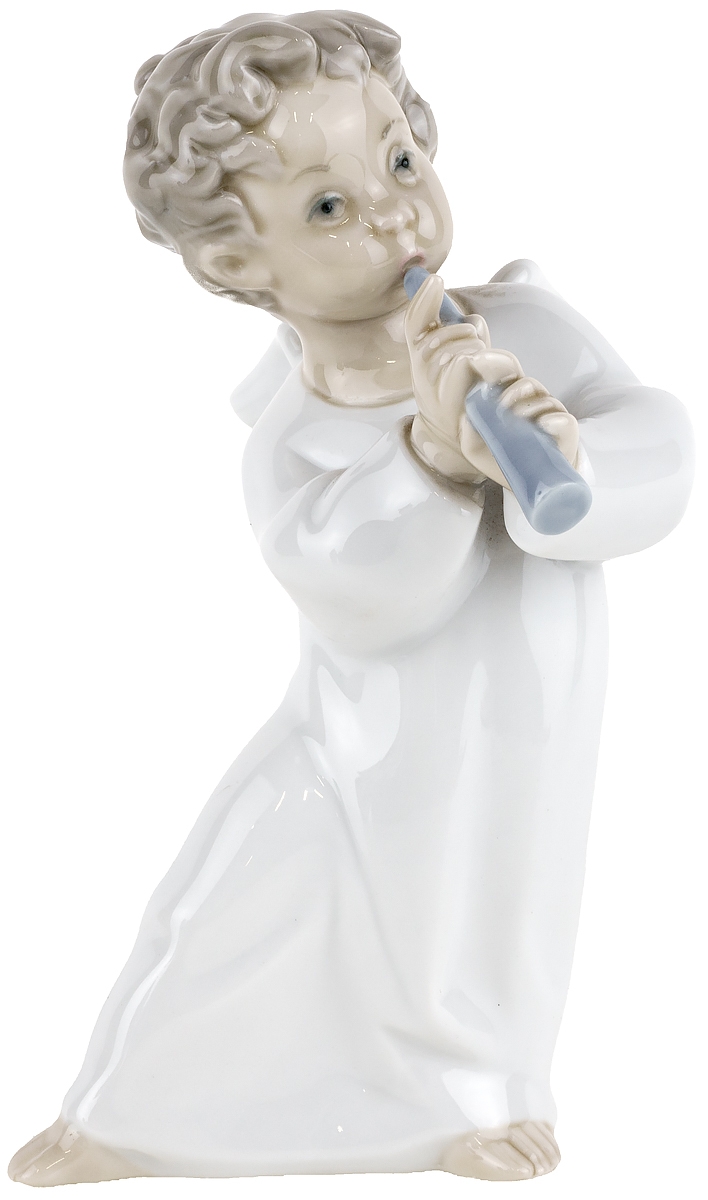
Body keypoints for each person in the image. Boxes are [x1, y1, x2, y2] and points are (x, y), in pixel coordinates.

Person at [9, 10, 693, 1186]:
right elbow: (363, 594)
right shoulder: (293, 432)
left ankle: (481, 1095)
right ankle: (129, 1109)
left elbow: (663, 444)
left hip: (514, 717)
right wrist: (428, 457)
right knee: (229, 890)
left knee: (482, 907)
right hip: (357, 732)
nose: (394, 215)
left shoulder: (522, 329)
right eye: (329, 206)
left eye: (402, 161)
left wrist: (570, 451)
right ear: (241, 266)